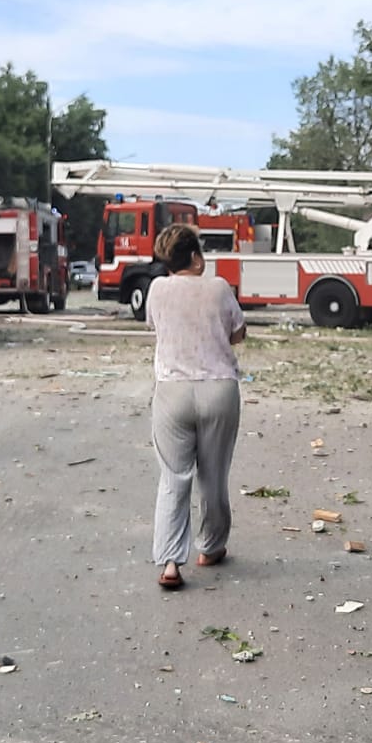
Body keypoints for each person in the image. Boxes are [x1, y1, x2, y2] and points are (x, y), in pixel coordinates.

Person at [142, 223, 247, 591]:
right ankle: (211, 547)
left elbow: (155, 327)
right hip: (219, 390)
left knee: (174, 477)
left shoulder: (156, 289)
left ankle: (171, 564)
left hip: (172, 391)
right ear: (197, 257)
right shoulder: (219, 288)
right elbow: (238, 333)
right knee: (214, 475)